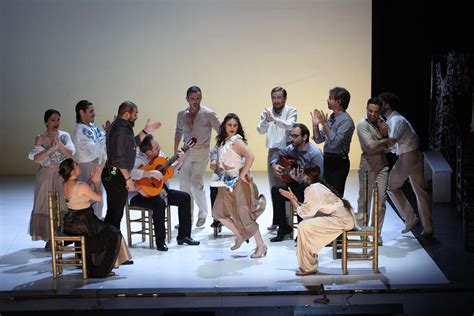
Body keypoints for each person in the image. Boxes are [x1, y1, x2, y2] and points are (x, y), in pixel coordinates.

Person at [59, 158, 132, 278]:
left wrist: (91, 179)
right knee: (113, 234)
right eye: (76, 165)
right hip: (84, 221)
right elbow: (98, 198)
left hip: (72, 221)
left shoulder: (65, 183)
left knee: (107, 231)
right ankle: (102, 269)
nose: (79, 166)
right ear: (72, 172)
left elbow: (82, 190)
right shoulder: (81, 185)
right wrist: (97, 183)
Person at [279, 165, 356, 276]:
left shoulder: (312, 189)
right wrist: (295, 200)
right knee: (306, 226)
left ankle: (308, 267)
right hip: (344, 218)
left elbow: (303, 213)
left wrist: (291, 199)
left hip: (341, 220)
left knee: (303, 226)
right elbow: (309, 209)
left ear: (306, 176)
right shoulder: (318, 186)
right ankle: (309, 264)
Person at [130, 134, 200, 251]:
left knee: (185, 198)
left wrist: (180, 163)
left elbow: (169, 173)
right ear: (148, 152)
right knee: (159, 204)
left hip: (160, 191)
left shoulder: (160, 156)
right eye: (156, 147)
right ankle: (160, 242)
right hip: (138, 195)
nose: (160, 148)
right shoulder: (135, 159)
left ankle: (184, 236)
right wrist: (149, 173)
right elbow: (129, 172)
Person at [212, 113, 267, 258]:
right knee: (218, 212)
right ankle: (240, 234)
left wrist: (243, 174)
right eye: (229, 125)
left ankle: (261, 245)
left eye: (235, 125)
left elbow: (250, 156)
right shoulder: (224, 141)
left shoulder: (236, 141)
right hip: (226, 181)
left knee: (245, 214)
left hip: (239, 182)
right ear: (224, 125)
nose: (232, 128)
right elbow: (220, 162)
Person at [378, 92, 433, 237]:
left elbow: (392, 142)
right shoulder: (395, 119)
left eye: (381, 103)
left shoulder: (396, 120)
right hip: (414, 154)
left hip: (408, 155)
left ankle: (410, 218)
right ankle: (428, 228)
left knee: (391, 186)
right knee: (420, 192)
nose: (378, 105)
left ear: (387, 105)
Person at [101, 101, 161, 232]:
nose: (137, 117)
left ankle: (109, 246)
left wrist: (145, 131)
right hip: (116, 175)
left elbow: (131, 144)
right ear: (127, 114)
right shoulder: (121, 129)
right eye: (135, 113)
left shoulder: (120, 126)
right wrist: (128, 179)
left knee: (114, 214)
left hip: (113, 174)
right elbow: (119, 158)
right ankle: (108, 247)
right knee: (114, 215)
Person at [28, 109, 75, 250]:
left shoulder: (64, 136)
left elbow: (70, 153)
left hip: (61, 174)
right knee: (46, 205)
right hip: (46, 175)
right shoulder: (40, 138)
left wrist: (58, 143)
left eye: (58, 119)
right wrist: (50, 148)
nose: (56, 123)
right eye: (53, 120)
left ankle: (61, 237)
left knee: (62, 205)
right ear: (46, 122)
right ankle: (49, 239)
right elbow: (36, 158)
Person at [268, 123, 324, 242]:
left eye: (295, 136)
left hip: (310, 188)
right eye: (291, 136)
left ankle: (303, 230)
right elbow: (277, 153)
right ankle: (284, 227)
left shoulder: (315, 153)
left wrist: (302, 179)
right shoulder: (292, 148)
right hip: (296, 183)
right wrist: (273, 165)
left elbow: (319, 178)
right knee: (276, 190)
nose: (291, 139)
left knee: (300, 194)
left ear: (304, 137)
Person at [174, 86, 220, 227]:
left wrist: (216, 151)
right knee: (184, 187)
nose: (195, 101)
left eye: (198, 98)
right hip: (186, 152)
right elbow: (178, 132)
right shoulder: (181, 114)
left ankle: (203, 213)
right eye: (192, 98)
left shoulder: (208, 114)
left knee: (196, 184)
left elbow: (221, 131)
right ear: (187, 98)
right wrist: (176, 150)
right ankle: (187, 218)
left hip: (201, 152)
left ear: (201, 98)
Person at [356, 97, 396, 245]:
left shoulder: (382, 124)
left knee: (381, 201)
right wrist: (386, 140)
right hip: (368, 164)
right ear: (366, 109)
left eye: (375, 112)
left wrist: (385, 137)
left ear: (380, 112)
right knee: (365, 200)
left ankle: (376, 233)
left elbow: (390, 148)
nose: (372, 114)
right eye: (370, 111)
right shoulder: (362, 125)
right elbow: (371, 146)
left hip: (382, 164)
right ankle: (363, 231)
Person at [257, 86, 297, 231]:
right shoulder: (267, 112)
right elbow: (260, 130)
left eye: (279, 97)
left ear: (285, 98)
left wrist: (274, 119)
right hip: (273, 151)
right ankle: (276, 219)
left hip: (287, 152)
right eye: (274, 97)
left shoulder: (291, 110)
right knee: (273, 187)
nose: (276, 100)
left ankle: (286, 222)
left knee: (285, 187)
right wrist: (267, 121)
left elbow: (290, 125)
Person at [312, 87, 355, 196]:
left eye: (330, 98)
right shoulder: (331, 117)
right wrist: (315, 125)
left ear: (338, 102)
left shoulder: (346, 120)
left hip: (339, 162)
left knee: (336, 197)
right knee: (325, 195)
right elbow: (318, 139)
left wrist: (324, 124)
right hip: (327, 159)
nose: (327, 100)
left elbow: (336, 142)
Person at [72, 100, 107, 219]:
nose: (94, 114)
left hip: (95, 164)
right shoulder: (80, 131)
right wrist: (105, 138)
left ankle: (97, 220)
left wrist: (107, 134)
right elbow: (94, 150)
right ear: (82, 112)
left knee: (98, 195)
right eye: (91, 111)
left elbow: (103, 139)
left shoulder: (92, 126)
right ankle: (91, 224)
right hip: (87, 166)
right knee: (90, 196)